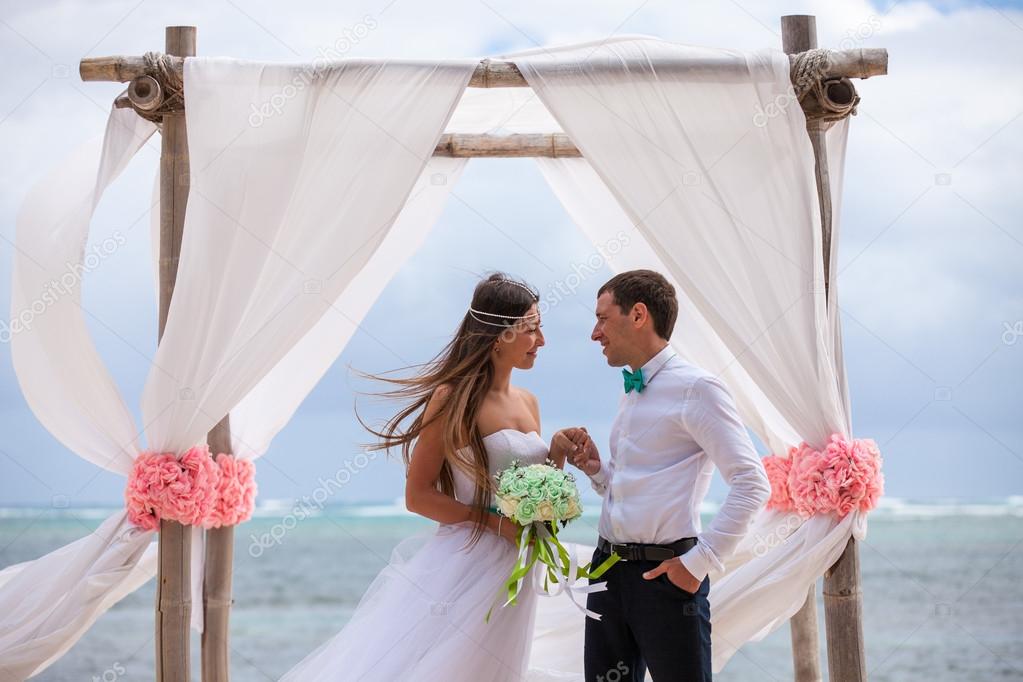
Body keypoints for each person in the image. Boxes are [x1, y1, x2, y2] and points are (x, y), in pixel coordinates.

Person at [281, 273, 579, 682]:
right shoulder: (452, 398)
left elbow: (535, 498)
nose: (542, 339)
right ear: (499, 336)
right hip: (468, 562)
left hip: (518, 566)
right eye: (531, 328)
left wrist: (558, 454)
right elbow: (418, 496)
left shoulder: (530, 402)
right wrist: (494, 523)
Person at [564, 270, 771, 682]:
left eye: (603, 318)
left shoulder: (699, 389)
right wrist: (597, 469)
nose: (594, 333)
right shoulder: (631, 390)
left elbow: (752, 482)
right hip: (606, 573)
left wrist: (698, 563)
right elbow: (636, 485)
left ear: (638, 315)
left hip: (666, 580)